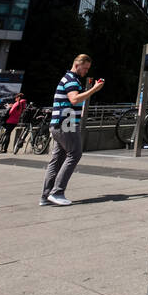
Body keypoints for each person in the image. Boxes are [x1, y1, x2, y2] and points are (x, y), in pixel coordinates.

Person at [40, 55, 104, 207]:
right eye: (85, 68)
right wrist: (94, 89)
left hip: (59, 123)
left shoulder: (69, 79)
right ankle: (57, 192)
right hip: (66, 124)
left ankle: (46, 196)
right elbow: (74, 99)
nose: (86, 71)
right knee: (75, 154)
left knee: (56, 160)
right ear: (77, 65)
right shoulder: (71, 80)